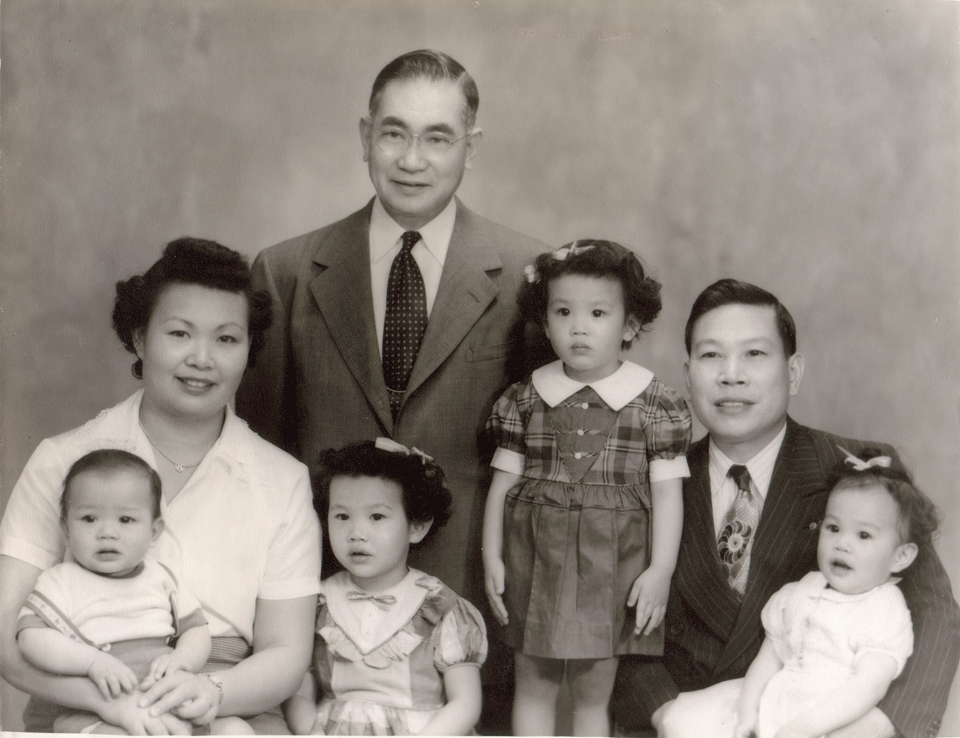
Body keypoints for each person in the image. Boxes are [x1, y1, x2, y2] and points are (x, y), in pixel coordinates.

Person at [234, 49, 548, 615]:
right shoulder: (286, 273)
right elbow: (261, 451)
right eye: (393, 134)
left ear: (470, 148)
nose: (411, 160)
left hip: (471, 588)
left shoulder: (529, 275)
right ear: (364, 136)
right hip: (321, 591)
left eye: (437, 139)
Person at [610, 279, 960, 738]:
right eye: (712, 355)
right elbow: (616, 620)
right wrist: (667, 712)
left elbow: (934, 612)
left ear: (793, 372)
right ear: (687, 372)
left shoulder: (859, 471)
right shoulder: (650, 483)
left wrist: (881, 724)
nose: (731, 374)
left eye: (754, 354)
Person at [0, 238, 321, 734]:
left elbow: (286, 651)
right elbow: (5, 640)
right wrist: (106, 702)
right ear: (140, 339)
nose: (202, 359)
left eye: (227, 339)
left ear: (248, 350)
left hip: (231, 705)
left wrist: (211, 692)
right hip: (87, 701)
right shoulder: (61, 460)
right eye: (179, 333)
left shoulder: (282, 480)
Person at [483, 240, 692, 736]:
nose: (579, 327)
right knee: (533, 685)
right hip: (536, 558)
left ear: (630, 325)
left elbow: (667, 496)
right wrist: (492, 555)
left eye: (598, 312)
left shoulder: (654, 404)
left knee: (593, 694)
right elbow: (502, 486)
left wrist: (660, 570)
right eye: (563, 312)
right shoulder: (523, 399)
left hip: (613, 562)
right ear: (545, 319)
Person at [661, 448, 937, 738]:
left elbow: (869, 685)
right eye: (833, 528)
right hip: (778, 698)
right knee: (688, 722)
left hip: (832, 718)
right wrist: (748, 711)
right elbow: (769, 659)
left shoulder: (884, 608)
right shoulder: (802, 590)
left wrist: (803, 729)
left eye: (863, 535)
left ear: (901, 557)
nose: (842, 543)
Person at [17, 449, 253, 735]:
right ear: (66, 531)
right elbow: (31, 638)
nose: (107, 532)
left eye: (125, 520)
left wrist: (181, 660)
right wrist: (91, 662)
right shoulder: (61, 581)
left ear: (154, 532)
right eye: (89, 519)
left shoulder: (161, 578)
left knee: (236, 730)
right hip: (99, 708)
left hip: (165, 698)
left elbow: (196, 629)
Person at [285, 439, 487, 736]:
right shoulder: (317, 602)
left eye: (377, 517)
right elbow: (300, 692)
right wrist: (309, 731)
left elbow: (465, 703)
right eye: (342, 516)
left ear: (416, 526)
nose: (356, 534)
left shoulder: (438, 607)